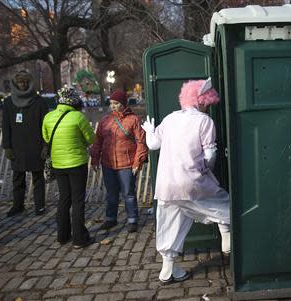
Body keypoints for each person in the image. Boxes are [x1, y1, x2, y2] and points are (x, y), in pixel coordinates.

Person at [141, 78, 231, 284]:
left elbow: (153, 144)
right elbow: (210, 156)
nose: (208, 106)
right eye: (208, 102)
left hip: (166, 185)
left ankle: (167, 271)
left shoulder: (170, 118)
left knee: (170, 223)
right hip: (192, 182)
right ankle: (226, 239)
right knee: (224, 205)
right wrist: (206, 170)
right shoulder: (204, 121)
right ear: (201, 100)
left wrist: (149, 131)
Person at [42, 87, 95, 248]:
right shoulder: (78, 117)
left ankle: (62, 235)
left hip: (58, 164)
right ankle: (79, 238)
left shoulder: (48, 117)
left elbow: (45, 137)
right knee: (78, 200)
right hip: (77, 163)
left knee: (64, 198)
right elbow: (91, 138)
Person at [90, 89, 148, 232]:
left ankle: (132, 219)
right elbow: (97, 141)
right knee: (111, 192)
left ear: (123, 103)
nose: (113, 106)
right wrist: (95, 159)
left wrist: (137, 162)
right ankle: (111, 218)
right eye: (111, 103)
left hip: (126, 163)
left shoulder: (133, 120)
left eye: (116, 103)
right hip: (108, 162)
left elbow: (141, 142)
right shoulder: (105, 120)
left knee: (128, 192)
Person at [2, 70, 49, 217]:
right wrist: (7, 146)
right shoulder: (9, 102)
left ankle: (40, 206)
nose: (22, 85)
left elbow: (45, 125)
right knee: (18, 178)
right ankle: (18, 205)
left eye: (25, 82)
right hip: (17, 146)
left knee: (38, 178)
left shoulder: (39, 101)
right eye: (20, 82)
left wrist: (46, 145)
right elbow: (6, 126)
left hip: (35, 146)